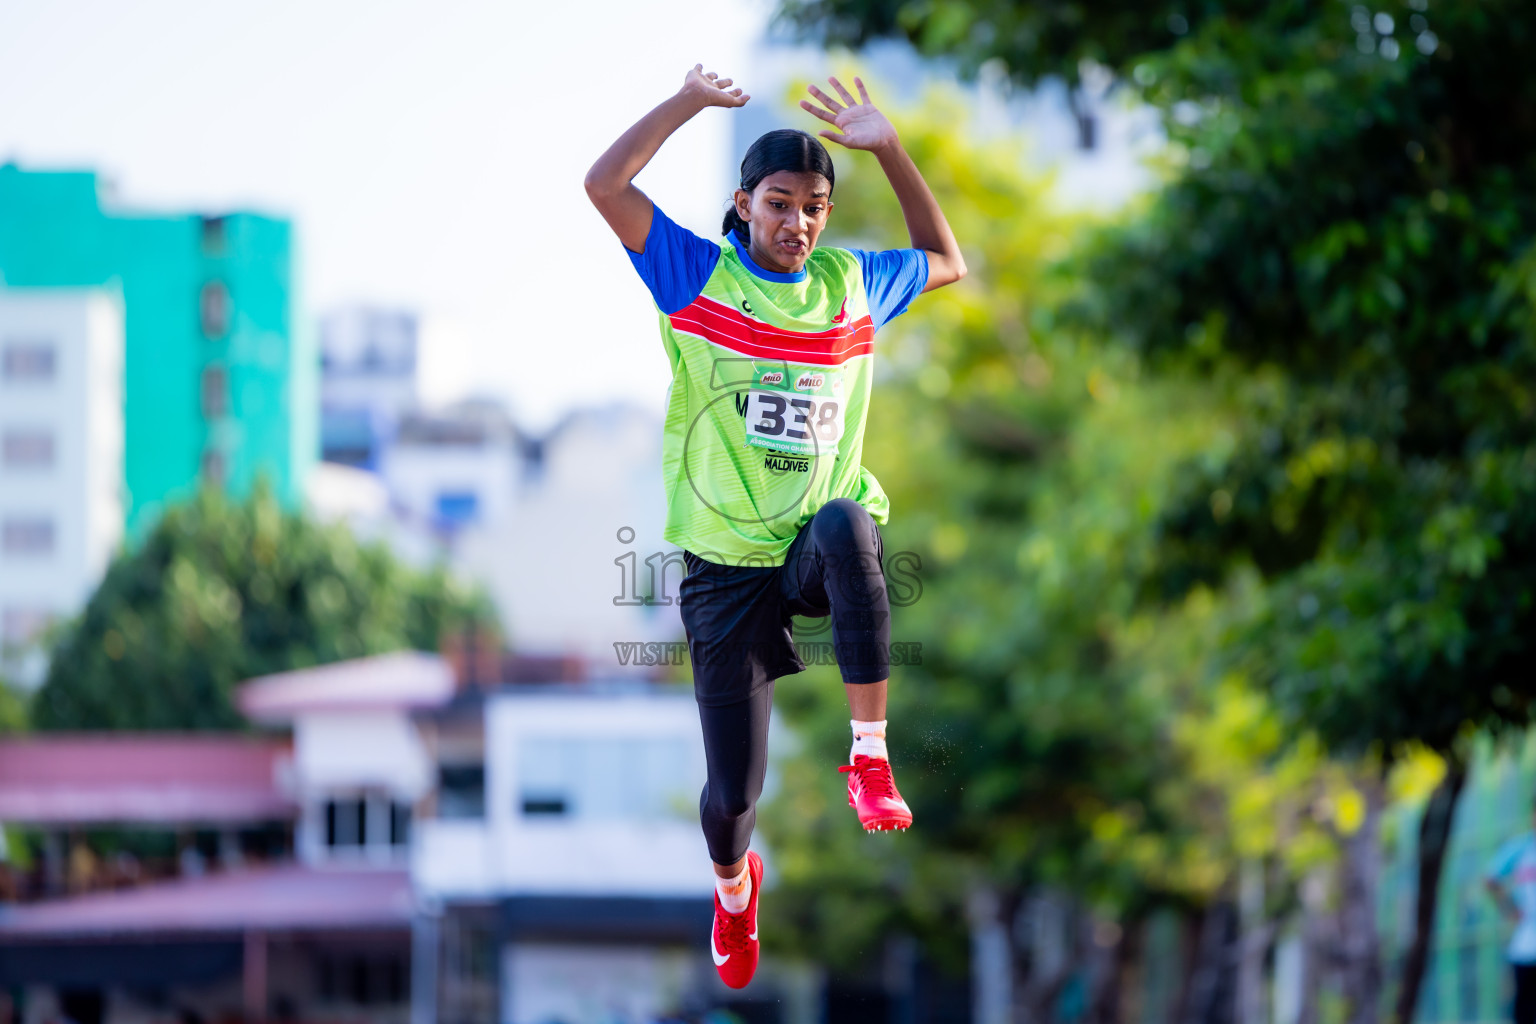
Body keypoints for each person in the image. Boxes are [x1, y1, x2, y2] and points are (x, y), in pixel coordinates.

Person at [584, 65, 965, 989]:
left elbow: (947, 259)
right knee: (734, 794)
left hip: (804, 552)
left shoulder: (851, 284)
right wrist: (686, 103)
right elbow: (604, 185)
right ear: (744, 205)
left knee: (847, 522)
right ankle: (732, 890)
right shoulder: (696, 275)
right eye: (779, 204)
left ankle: (869, 757)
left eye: (814, 208)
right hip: (724, 569)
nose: (797, 223)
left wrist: (892, 149)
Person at [1487, 800, 1536, 1023]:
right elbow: (1491, 880)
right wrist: (1510, 910)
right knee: (1524, 1009)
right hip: (1526, 946)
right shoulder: (1522, 848)